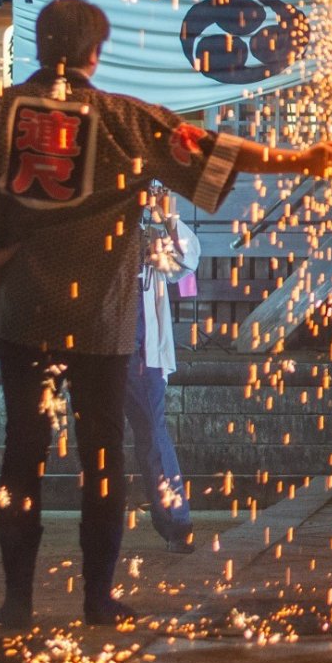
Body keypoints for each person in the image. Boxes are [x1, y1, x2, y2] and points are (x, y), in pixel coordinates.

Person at [0, 0, 332, 628]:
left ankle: (16, 602)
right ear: (95, 51)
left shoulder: (1, 112)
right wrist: (305, 160)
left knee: (23, 453)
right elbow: (211, 147)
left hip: (24, 305)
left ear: (39, 46)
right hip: (100, 314)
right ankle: (96, 597)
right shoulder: (118, 118)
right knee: (103, 455)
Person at [129, 192, 200, 551]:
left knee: (153, 435)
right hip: (96, 339)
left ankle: (176, 522)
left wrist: (168, 220)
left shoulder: (152, 225)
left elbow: (187, 262)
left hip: (140, 346)